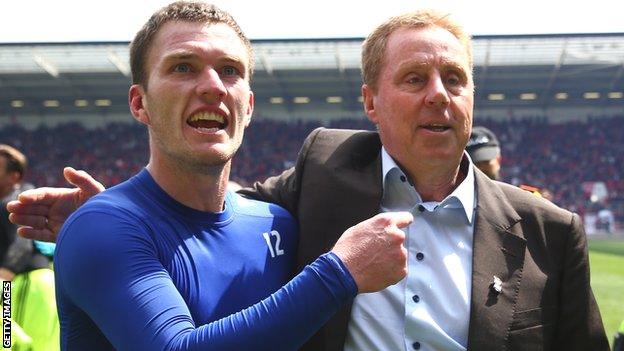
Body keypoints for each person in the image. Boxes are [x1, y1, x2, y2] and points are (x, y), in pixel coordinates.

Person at [8, 8, 609, 351]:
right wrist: (110, 219)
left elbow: (218, 217)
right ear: (370, 103)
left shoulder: (550, 231)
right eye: (414, 79)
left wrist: (115, 215)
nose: (438, 97)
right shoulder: (325, 173)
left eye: (454, 79)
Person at [10, 2, 411, 350]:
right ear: (139, 103)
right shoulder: (102, 227)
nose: (212, 86)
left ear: (249, 107)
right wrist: (340, 273)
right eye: (183, 67)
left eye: (230, 70)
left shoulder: (278, 225)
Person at [0, 144, 59, 351]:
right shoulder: (26, 195)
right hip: (38, 283)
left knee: (9, 341)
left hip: (21, 282)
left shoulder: (13, 202)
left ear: (14, 177)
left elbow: (21, 244)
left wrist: (4, 277)